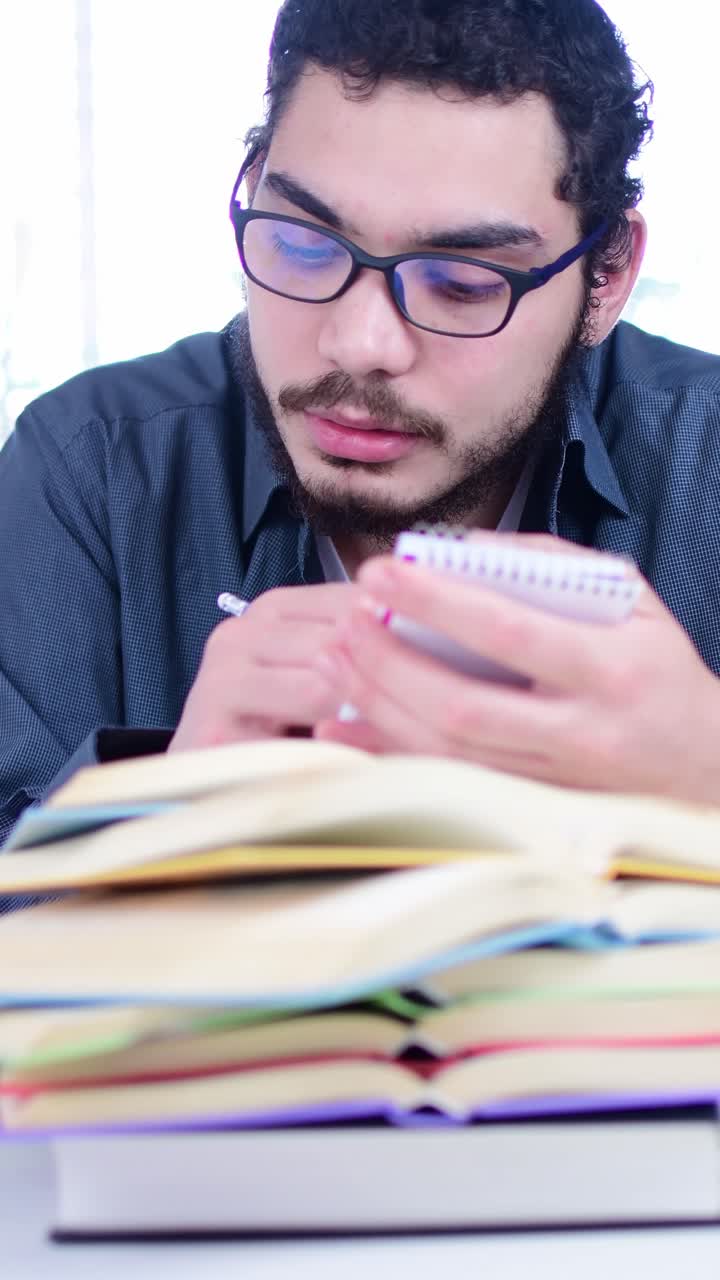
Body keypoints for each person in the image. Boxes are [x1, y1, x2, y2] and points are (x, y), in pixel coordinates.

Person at [1, 0, 720, 862]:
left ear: (605, 278)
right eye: (304, 245)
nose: (360, 343)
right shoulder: (92, 471)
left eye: (461, 281)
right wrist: (158, 818)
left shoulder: (704, 462)